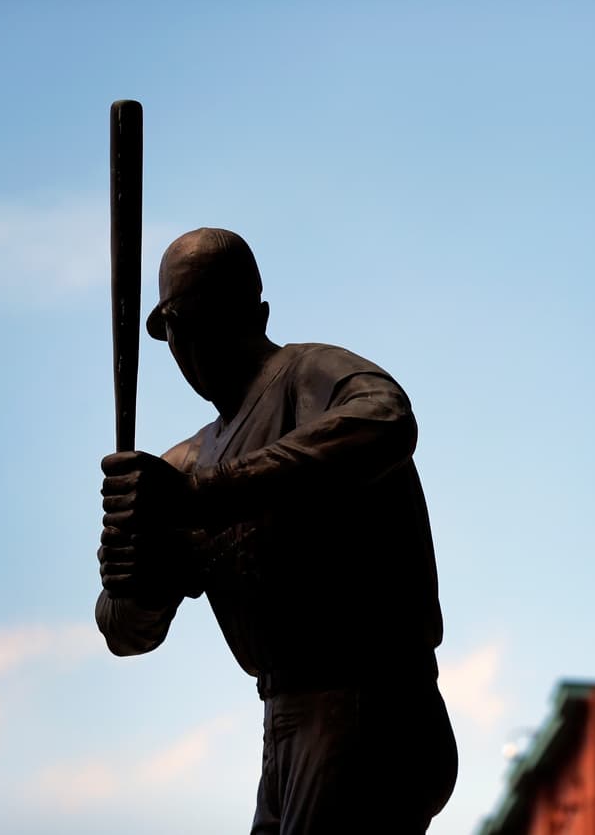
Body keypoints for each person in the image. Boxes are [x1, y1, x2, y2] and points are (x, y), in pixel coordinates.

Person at [95, 227, 456, 834]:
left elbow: (386, 419)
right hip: (285, 720)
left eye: (202, 313)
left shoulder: (308, 374)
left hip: (369, 700)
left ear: (255, 311)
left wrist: (202, 495)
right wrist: (136, 575)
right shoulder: (185, 462)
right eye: (175, 325)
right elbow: (125, 631)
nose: (186, 341)